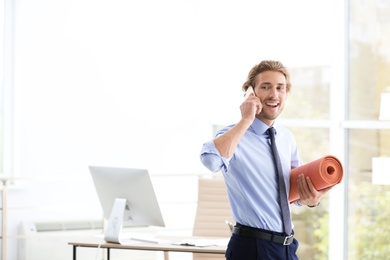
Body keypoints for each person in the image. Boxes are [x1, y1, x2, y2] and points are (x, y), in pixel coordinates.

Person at [200, 60, 331, 260]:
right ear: (251, 93)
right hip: (252, 248)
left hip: (287, 248)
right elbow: (211, 161)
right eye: (265, 87)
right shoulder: (234, 135)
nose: (274, 94)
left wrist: (312, 200)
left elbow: (293, 192)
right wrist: (246, 120)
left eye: (280, 88)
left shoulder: (285, 137)